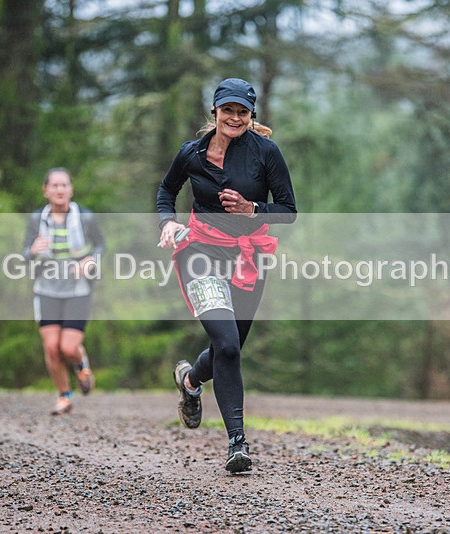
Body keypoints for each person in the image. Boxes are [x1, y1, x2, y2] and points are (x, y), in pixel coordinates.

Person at [157, 78, 296, 473]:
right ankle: (238, 443)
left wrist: (252, 208)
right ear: (214, 111)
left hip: (250, 256)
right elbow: (166, 191)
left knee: (227, 348)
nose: (234, 117)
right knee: (229, 346)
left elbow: (288, 209)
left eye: (242, 112)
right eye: (228, 110)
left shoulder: (265, 153)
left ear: (252, 116)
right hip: (200, 251)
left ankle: (189, 381)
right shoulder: (192, 153)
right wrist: (167, 221)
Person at [23, 167, 105, 416]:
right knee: (51, 347)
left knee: (68, 348)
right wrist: (34, 250)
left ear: (71, 189)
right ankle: (64, 395)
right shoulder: (37, 220)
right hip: (46, 289)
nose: (59, 190)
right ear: (45, 190)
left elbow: (100, 245)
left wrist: (90, 260)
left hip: (77, 290)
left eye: (64, 185)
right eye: (54, 186)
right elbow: (25, 254)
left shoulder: (85, 217)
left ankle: (81, 363)